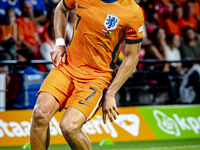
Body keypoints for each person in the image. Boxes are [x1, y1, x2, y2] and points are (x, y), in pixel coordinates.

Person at [30, 0, 144, 150]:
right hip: (67, 66)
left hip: (97, 77)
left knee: (69, 127)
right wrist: (59, 43)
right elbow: (60, 9)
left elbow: (131, 58)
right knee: (39, 114)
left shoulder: (132, 12)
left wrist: (110, 94)